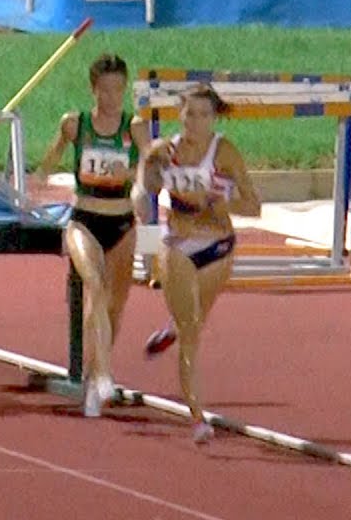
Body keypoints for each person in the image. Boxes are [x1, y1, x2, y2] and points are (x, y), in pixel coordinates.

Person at [133, 83, 261, 442]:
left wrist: (223, 201)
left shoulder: (225, 153)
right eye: (190, 114)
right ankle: (197, 417)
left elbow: (254, 206)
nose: (196, 122)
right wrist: (146, 179)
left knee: (194, 323)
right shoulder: (164, 151)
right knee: (192, 332)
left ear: (214, 117)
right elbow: (144, 193)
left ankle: (174, 326)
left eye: (204, 115)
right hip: (178, 243)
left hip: (218, 246)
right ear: (180, 114)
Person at [34, 53, 152, 418]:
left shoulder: (134, 127)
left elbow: (150, 165)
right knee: (95, 287)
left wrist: (136, 179)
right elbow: (48, 162)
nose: (112, 97)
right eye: (105, 90)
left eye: (118, 90)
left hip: (121, 224)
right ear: (93, 89)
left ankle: (94, 375)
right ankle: (101, 376)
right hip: (84, 220)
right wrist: (34, 184)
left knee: (114, 307)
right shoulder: (75, 124)